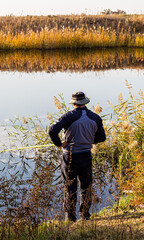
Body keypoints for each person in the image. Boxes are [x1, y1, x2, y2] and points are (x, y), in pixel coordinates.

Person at [48, 91, 106, 222]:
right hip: (86, 156)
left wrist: (59, 144)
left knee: (70, 187)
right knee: (86, 186)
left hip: (69, 157)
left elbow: (52, 130)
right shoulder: (95, 117)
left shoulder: (69, 116)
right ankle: (85, 215)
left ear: (73, 103)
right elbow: (102, 137)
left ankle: (70, 218)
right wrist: (88, 140)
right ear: (85, 102)